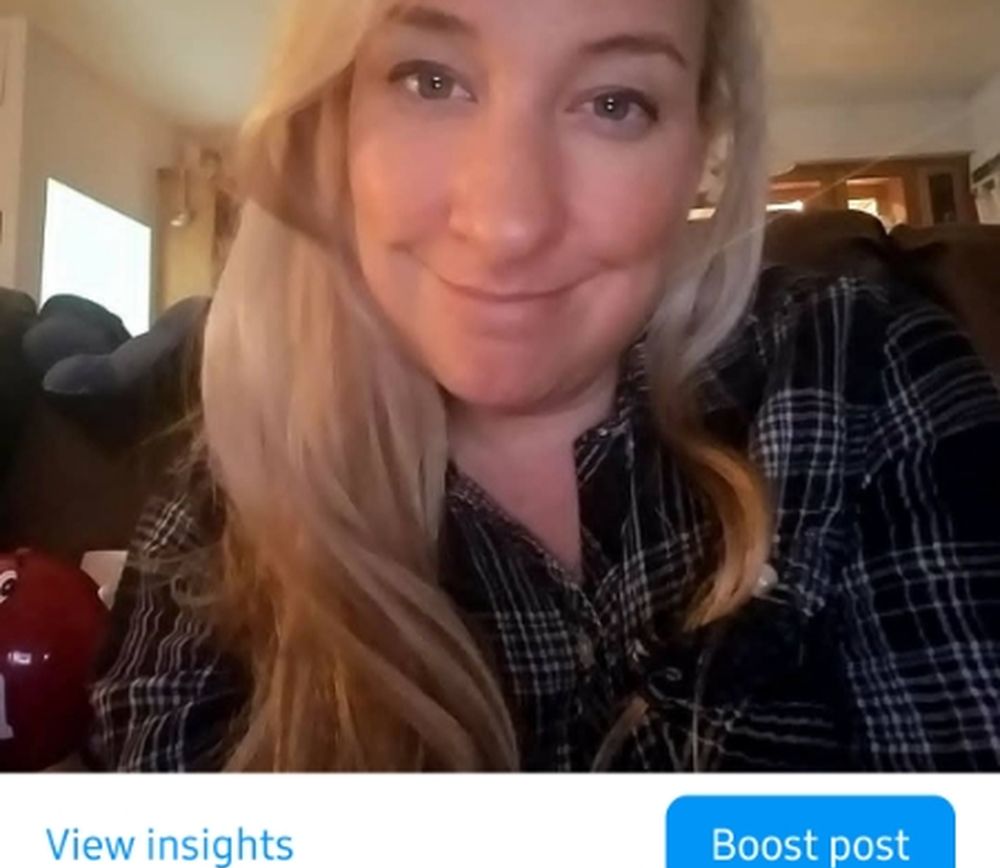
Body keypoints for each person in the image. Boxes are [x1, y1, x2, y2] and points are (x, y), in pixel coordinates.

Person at [89, 0, 1000, 773]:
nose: (508, 224)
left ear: (702, 145)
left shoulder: (854, 371)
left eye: (614, 103)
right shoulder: (229, 495)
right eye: (431, 81)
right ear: (334, 117)